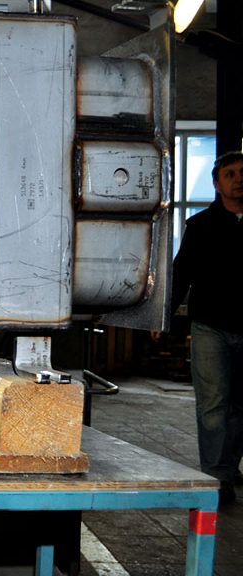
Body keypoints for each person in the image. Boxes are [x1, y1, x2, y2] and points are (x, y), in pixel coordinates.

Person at [165, 150, 243, 507]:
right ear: (217, 183)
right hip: (210, 325)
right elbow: (182, 273)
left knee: (240, 406)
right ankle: (217, 476)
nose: (238, 179)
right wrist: (165, 317)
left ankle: (226, 466)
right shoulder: (200, 226)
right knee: (213, 403)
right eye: (230, 173)